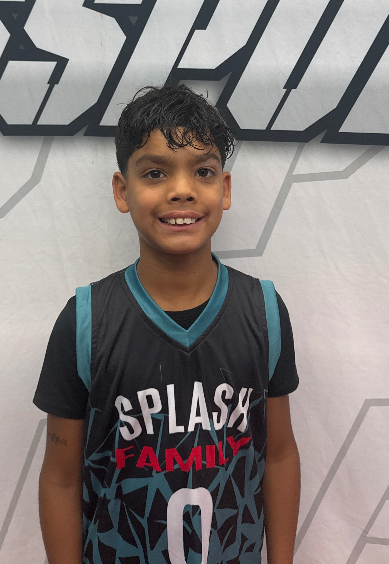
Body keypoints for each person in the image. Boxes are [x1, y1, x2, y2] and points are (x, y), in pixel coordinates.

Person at [34, 84, 300, 564]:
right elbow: (60, 478)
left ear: (225, 188)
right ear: (123, 191)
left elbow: (278, 455)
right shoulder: (85, 321)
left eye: (203, 171)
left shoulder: (264, 310)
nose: (182, 189)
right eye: (155, 172)